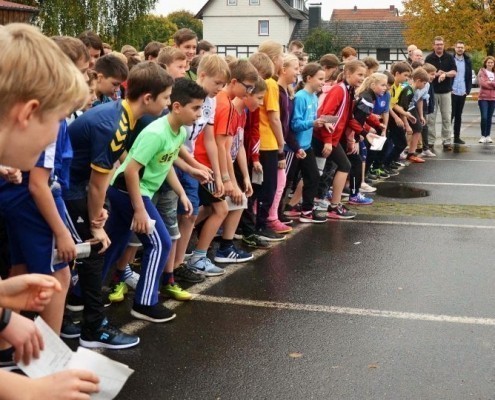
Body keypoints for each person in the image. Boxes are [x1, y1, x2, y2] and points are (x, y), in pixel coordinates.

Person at [65, 62, 174, 348]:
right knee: (94, 249)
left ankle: (76, 313)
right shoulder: (115, 122)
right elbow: (98, 182)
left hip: (77, 186)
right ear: (147, 98)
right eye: (165, 98)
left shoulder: (123, 116)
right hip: (70, 188)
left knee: (98, 250)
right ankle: (92, 329)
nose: (169, 103)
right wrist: (95, 221)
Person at [103, 78, 205, 321]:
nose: (199, 114)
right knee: (160, 243)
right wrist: (139, 210)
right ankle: (145, 303)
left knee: (113, 243)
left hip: (134, 191)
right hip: (127, 190)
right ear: (178, 107)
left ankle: (79, 295)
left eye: (201, 108)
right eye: (196, 108)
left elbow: (166, 161)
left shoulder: (179, 131)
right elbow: (129, 171)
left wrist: (184, 184)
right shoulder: (156, 133)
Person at [173, 54, 230, 279]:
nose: (220, 88)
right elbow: (175, 137)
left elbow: (208, 139)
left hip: (192, 162)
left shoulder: (212, 102)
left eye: (223, 84)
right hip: (177, 160)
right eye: (217, 83)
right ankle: (173, 263)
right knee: (177, 213)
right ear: (202, 75)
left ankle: (179, 263)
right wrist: (194, 164)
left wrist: (218, 174)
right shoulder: (185, 95)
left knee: (190, 212)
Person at [315, 61, 369, 219]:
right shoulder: (339, 90)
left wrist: (364, 132)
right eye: (359, 75)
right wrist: (327, 140)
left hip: (333, 138)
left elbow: (347, 118)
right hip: (325, 136)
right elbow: (326, 115)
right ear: (348, 74)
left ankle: (317, 203)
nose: (362, 78)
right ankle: (334, 205)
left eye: (363, 75)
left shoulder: (349, 90)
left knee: (315, 171)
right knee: (344, 165)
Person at [286, 63, 327, 223]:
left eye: (324, 79)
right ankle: (277, 213)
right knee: (287, 181)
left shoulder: (314, 97)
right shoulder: (300, 97)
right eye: (320, 79)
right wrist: (312, 123)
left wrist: (322, 122)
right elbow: (294, 124)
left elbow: (310, 120)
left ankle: (307, 210)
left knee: (313, 176)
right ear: (309, 78)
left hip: (306, 145)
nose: (323, 82)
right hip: (294, 147)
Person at [257, 41, 290, 235]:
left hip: (261, 140)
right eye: (280, 57)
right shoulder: (271, 83)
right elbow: (274, 116)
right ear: (273, 59)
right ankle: (263, 224)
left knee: (265, 185)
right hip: (268, 141)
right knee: (268, 186)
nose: (282, 61)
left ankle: (261, 222)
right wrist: (281, 143)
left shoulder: (267, 83)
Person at [424, 36, 457, 150]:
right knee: (431, 118)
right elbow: (425, 73)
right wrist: (436, 74)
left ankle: (447, 141)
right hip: (432, 91)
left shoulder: (449, 57)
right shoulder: (429, 58)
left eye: (441, 44)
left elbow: (454, 72)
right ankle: (430, 141)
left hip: (446, 92)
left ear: (444, 45)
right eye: (437, 44)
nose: (439, 46)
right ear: (433, 45)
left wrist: (445, 74)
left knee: (446, 117)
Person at [401, 68, 430, 163]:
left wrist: (421, 116)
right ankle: (399, 153)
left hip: (411, 108)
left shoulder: (415, 89)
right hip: (404, 111)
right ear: (418, 81)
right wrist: (406, 124)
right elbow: (402, 108)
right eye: (424, 83)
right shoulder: (408, 90)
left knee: (418, 127)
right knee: (402, 131)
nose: (424, 85)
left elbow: (420, 100)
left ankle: (411, 154)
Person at [451, 41, 473, 145]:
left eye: (462, 47)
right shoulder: (451, 60)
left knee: (459, 115)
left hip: (462, 92)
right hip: (452, 91)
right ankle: (446, 137)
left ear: (464, 49)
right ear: (455, 48)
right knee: (450, 115)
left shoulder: (468, 61)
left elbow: (468, 77)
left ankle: (457, 137)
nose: (460, 49)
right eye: (458, 47)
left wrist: (467, 90)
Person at [477, 56, 495, 143]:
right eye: (489, 62)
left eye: (492, 62)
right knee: (484, 117)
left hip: (493, 98)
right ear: (485, 63)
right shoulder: (481, 72)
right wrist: (493, 84)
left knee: (489, 117)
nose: (490, 64)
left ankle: (488, 135)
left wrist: (489, 83)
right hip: (483, 98)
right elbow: (482, 83)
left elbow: (486, 83)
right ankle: (482, 136)